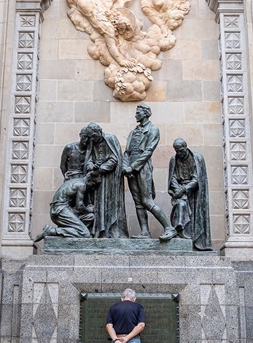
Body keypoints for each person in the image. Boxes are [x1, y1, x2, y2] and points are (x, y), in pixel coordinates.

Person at [123, 104, 171, 238]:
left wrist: (132, 167)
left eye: (138, 112)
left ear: (145, 113)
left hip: (142, 167)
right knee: (138, 202)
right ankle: (145, 232)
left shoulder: (153, 130)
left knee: (147, 200)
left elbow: (148, 152)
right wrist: (125, 167)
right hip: (130, 169)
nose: (135, 115)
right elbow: (127, 152)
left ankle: (169, 227)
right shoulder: (133, 132)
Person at [159, 138, 211, 250]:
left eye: (181, 150)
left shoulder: (197, 158)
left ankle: (195, 241)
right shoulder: (174, 159)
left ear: (186, 147)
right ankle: (179, 232)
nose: (179, 153)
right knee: (180, 205)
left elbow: (197, 178)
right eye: (176, 151)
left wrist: (184, 189)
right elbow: (172, 176)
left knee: (195, 215)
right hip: (179, 191)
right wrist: (177, 189)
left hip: (194, 192)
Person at [82, 122, 128, 238]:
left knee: (111, 205)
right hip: (97, 181)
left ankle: (112, 231)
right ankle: (100, 231)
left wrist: (101, 168)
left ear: (99, 131)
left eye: (93, 136)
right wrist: (90, 165)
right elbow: (90, 158)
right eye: (90, 137)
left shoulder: (110, 139)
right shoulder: (93, 142)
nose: (92, 139)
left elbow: (115, 159)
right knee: (98, 205)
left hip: (111, 179)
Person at [33, 176, 94, 242]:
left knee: (90, 217)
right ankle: (51, 231)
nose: (93, 187)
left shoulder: (76, 181)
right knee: (85, 233)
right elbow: (79, 206)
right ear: (89, 179)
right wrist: (89, 209)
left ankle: (69, 230)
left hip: (63, 209)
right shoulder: (82, 185)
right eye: (93, 184)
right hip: (60, 211)